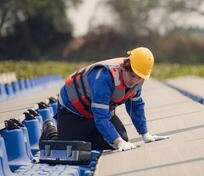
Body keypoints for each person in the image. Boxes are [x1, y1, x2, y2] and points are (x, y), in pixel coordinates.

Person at [41, 47, 169, 151]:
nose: (134, 80)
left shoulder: (137, 81)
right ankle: (50, 129)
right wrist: (118, 142)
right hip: (73, 111)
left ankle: (86, 135)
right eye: (132, 75)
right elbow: (101, 117)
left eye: (139, 77)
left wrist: (145, 134)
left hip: (95, 112)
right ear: (125, 66)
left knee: (122, 138)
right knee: (69, 148)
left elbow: (136, 106)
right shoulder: (105, 78)